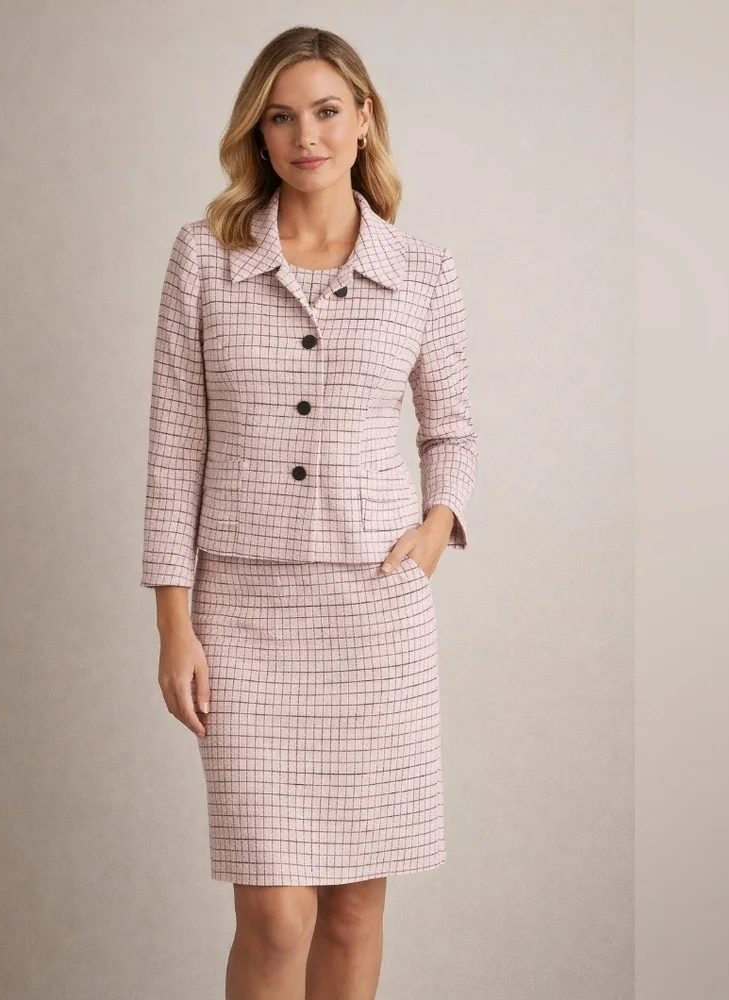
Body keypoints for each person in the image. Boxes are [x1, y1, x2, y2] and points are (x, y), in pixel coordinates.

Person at [140, 25, 478, 1000]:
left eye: (327, 111)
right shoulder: (203, 258)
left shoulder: (423, 270)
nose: (306, 136)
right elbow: (174, 449)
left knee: (355, 909)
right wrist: (174, 625)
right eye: (282, 117)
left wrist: (433, 532)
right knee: (275, 915)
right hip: (242, 616)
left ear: (364, 119)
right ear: (259, 132)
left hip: (374, 615)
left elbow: (453, 429)